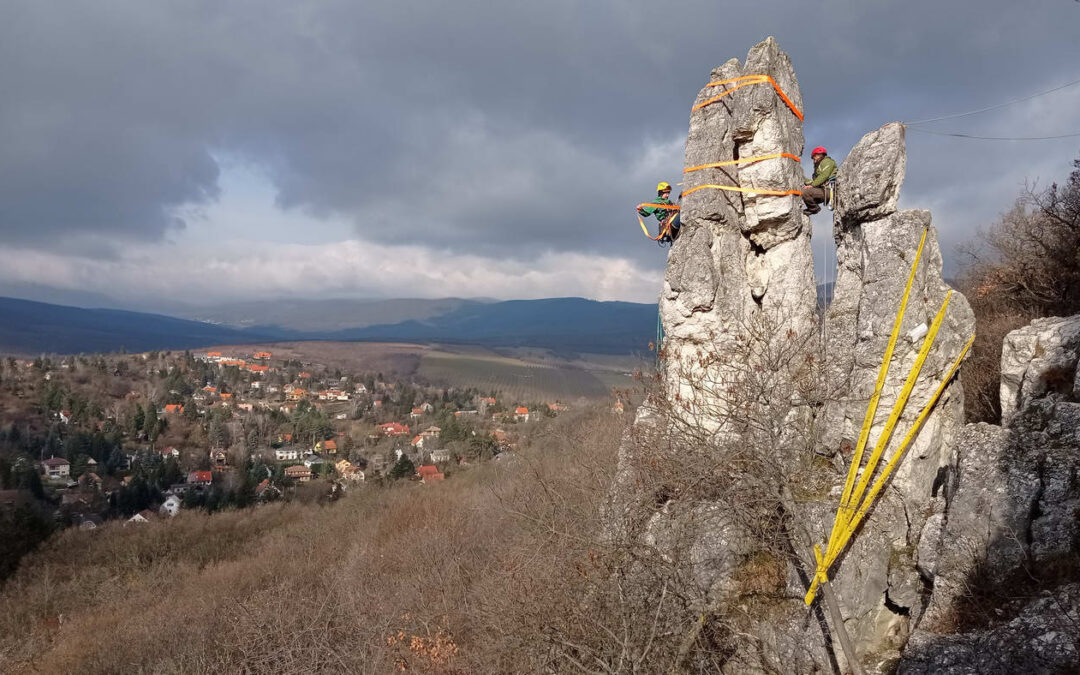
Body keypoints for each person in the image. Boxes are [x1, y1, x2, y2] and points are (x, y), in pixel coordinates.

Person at [802, 146, 837, 214]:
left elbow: (824, 175)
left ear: (819, 155)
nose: (814, 159)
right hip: (823, 190)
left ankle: (814, 209)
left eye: (814, 157)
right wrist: (803, 179)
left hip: (829, 190)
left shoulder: (828, 162)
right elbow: (816, 181)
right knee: (802, 192)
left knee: (805, 192)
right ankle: (813, 208)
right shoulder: (818, 167)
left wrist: (812, 185)